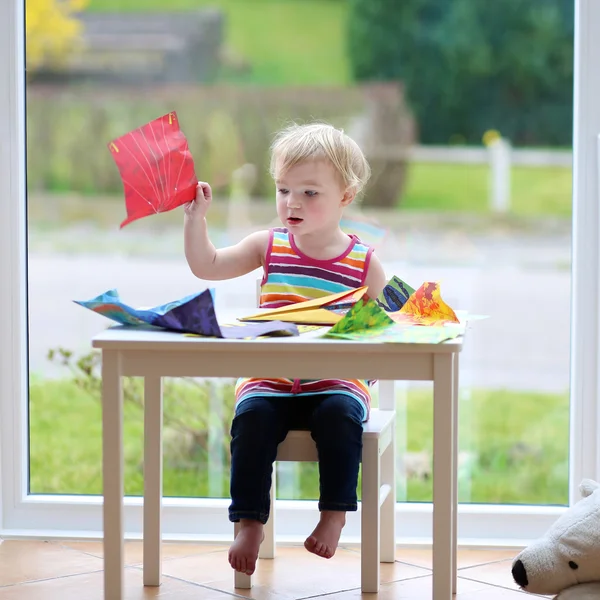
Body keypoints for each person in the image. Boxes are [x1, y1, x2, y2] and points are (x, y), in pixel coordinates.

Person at [183, 122, 387, 577]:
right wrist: (195, 220)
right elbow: (208, 266)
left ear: (346, 197)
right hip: (270, 380)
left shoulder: (364, 262)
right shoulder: (268, 245)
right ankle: (250, 523)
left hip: (335, 383)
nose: (292, 203)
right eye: (283, 189)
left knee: (339, 416)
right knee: (251, 420)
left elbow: (393, 321)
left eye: (310, 193)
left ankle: (334, 515)